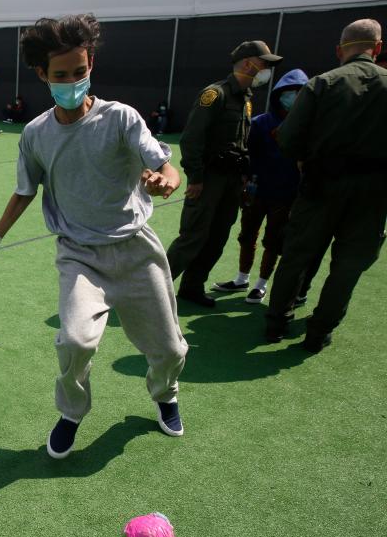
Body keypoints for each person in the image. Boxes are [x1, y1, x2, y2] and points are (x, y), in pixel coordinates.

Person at [0, 15, 187, 459]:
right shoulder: (36, 134)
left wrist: (166, 181)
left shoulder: (121, 117)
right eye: (61, 75)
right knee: (75, 341)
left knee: (168, 348)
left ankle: (165, 395)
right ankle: (71, 412)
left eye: (80, 72)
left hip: (136, 250)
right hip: (80, 256)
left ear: (91, 66)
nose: (72, 81)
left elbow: (166, 166)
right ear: (43, 75)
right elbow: (24, 191)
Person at [264, 19, 387, 353]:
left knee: (296, 256)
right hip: (373, 194)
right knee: (348, 264)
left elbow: (288, 138)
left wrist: (306, 159)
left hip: (321, 184)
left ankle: (276, 322)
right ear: (377, 48)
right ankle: (319, 332)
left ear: (339, 50)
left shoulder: (323, 84)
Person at [165, 40, 282, 308]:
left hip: (231, 181)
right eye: (263, 63)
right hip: (208, 179)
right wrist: (195, 177)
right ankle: (150, 291)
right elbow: (191, 139)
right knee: (192, 237)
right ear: (247, 62)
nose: (265, 69)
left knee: (217, 237)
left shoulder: (247, 98)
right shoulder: (215, 95)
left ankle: (192, 287)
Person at [211, 69, 308, 304]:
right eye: (288, 92)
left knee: (274, 240)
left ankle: (261, 284)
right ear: (278, 95)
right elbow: (246, 153)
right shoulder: (261, 123)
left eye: (298, 93)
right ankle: (242, 277)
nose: (292, 97)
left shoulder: (306, 126)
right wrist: (245, 179)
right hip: (257, 191)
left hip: (286, 194)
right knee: (247, 235)